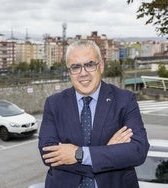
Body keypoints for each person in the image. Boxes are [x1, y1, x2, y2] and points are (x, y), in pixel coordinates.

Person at [38, 40, 149, 188]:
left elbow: (138, 150)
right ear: (69, 71)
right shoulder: (54, 104)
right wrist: (108, 153)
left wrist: (79, 154)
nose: (83, 73)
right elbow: (49, 155)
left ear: (101, 66)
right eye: (75, 67)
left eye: (90, 65)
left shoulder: (124, 100)